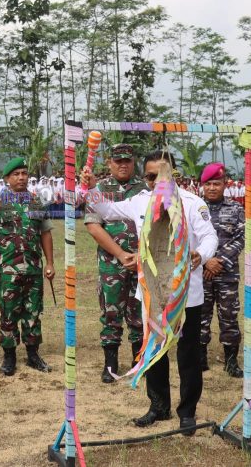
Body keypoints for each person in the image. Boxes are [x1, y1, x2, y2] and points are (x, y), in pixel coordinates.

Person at [81, 150, 217, 434]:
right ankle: (158, 406)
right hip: (152, 294)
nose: (156, 182)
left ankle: (187, 412)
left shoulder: (192, 203)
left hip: (185, 295)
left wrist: (201, 256)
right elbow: (107, 211)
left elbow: (209, 237)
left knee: (188, 354)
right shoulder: (140, 201)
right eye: (150, 176)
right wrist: (92, 187)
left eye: (161, 175)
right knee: (154, 352)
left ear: (173, 174)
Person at [0, 157, 55, 376]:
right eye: (16, 174)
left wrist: (50, 263)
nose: (21, 177)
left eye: (24, 173)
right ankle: (9, 356)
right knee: (8, 312)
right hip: (7, 270)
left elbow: (46, 233)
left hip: (33, 268)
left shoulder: (37, 202)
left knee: (33, 311)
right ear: (7, 179)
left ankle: (33, 354)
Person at [84, 144, 147, 383]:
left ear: (133, 162)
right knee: (111, 312)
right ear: (109, 163)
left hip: (142, 262)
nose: (123, 165)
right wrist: (121, 254)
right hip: (112, 263)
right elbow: (93, 225)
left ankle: (138, 361)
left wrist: (140, 255)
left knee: (140, 311)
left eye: (127, 161)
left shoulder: (144, 189)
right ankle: (110, 363)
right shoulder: (99, 189)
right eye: (118, 161)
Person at [199, 163, 245, 378]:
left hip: (227, 274)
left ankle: (231, 361)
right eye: (208, 184)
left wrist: (219, 260)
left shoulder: (236, 208)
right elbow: (186, 238)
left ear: (225, 185)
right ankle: (200, 359)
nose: (212, 188)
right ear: (202, 186)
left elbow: (242, 237)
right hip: (199, 273)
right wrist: (206, 261)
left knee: (229, 316)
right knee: (200, 316)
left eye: (217, 183)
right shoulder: (195, 207)